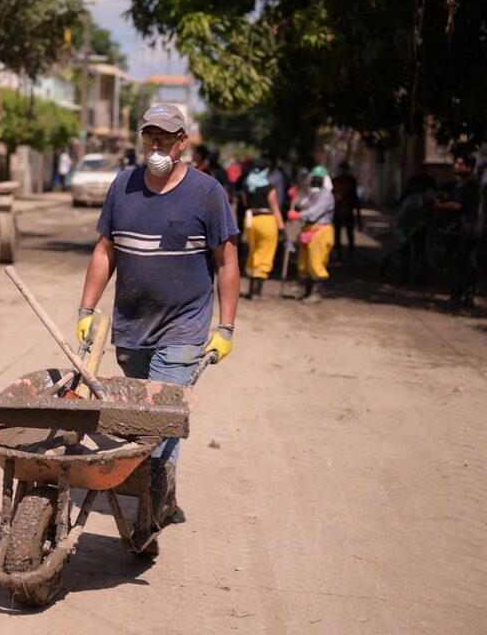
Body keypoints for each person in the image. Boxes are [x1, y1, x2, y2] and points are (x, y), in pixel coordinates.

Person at [75, 105, 239, 533]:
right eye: (150, 136)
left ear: (183, 142)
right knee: (135, 417)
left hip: (184, 326)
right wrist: (87, 310)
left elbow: (226, 261)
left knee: (160, 418)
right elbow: (105, 250)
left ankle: (149, 512)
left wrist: (225, 328)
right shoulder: (123, 187)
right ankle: (158, 489)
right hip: (132, 328)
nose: (156, 145)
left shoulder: (206, 193)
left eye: (166, 137)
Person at [435, 155, 482, 309]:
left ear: (468, 167)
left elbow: (457, 205)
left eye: (459, 163)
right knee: (469, 264)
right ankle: (468, 296)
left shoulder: (466, 184)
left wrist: (441, 205)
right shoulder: (471, 182)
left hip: (463, 229)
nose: (455, 165)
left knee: (458, 262)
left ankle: (457, 296)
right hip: (472, 228)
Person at [240, 159, 285, 298]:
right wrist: (281, 228)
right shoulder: (269, 187)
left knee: (253, 252)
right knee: (265, 252)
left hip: (251, 220)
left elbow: (245, 202)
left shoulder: (247, 184)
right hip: (267, 220)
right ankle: (258, 290)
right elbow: (275, 207)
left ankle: (251, 289)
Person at [294, 166, 336, 302]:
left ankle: (316, 293)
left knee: (316, 263)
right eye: (314, 179)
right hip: (307, 230)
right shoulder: (311, 194)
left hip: (320, 231)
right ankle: (306, 291)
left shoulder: (326, 195)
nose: (315, 182)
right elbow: (301, 204)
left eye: (319, 180)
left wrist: (298, 214)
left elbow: (314, 212)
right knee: (304, 263)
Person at [331, 161, 361, 262]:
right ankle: (338, 254)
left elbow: (355, 198)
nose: (341, 171)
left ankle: (351, 254)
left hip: (348, 211)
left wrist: (358, 214)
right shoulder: (334, 181)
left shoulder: (351, 181)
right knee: (337, 233)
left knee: (349, 233)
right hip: (337, 211)